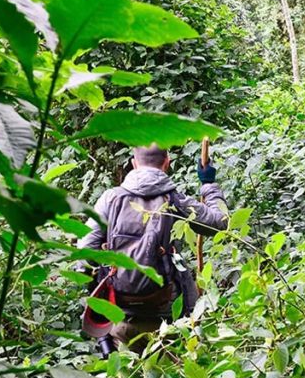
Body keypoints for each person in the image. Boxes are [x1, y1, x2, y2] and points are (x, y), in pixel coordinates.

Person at [78, 144, 228, 354]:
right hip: (168, 321)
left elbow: (85, 253)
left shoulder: (110, 199)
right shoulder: (175, 201)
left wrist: (95, 293)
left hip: (120, 318)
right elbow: (221, 223)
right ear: (167, 163)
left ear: (133, 164)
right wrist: (209, 184)